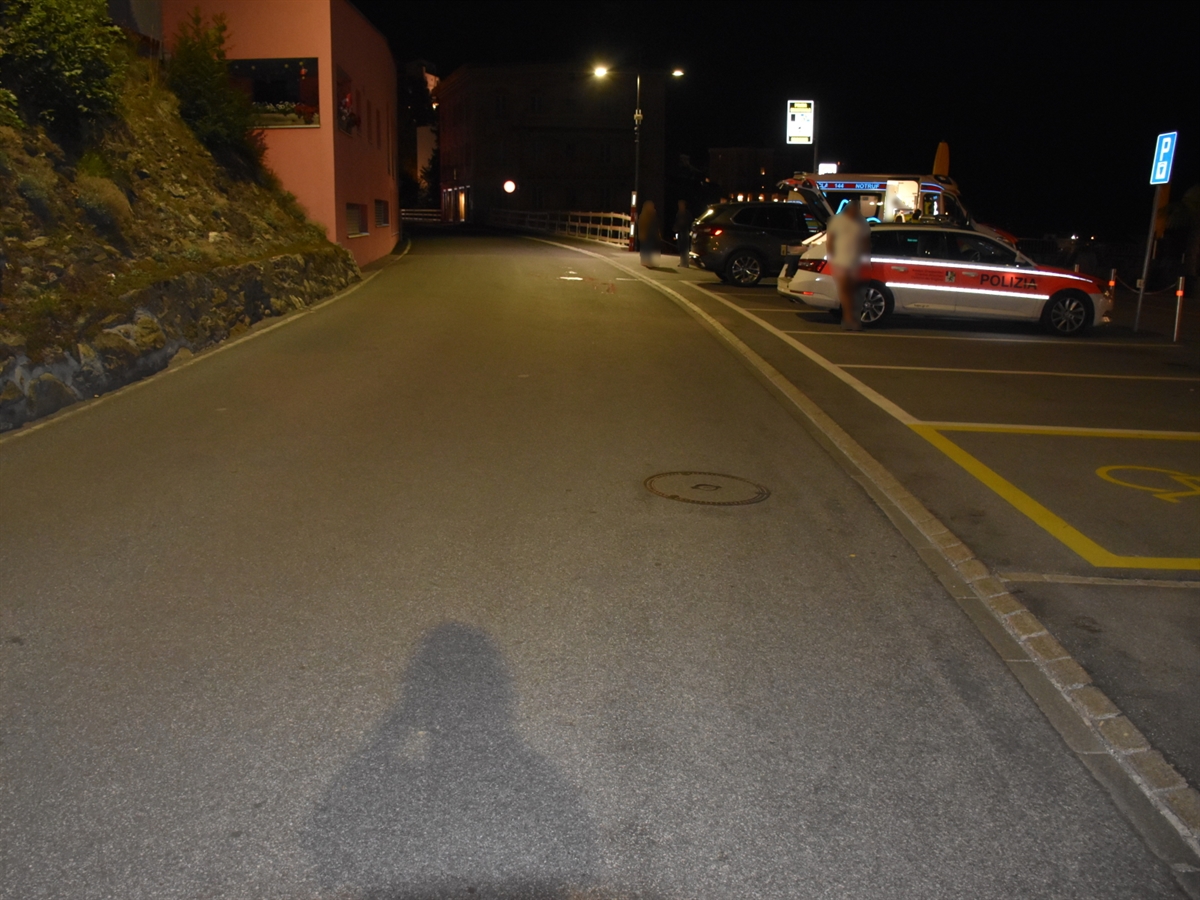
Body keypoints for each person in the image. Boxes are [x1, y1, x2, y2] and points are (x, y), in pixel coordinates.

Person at [826, 200, 871, 330]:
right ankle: (849, 319)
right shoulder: (837, 221)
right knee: (846, 290)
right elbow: (830, 241)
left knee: (853, 292)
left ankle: (849, 318)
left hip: (856, 262)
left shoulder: (862, 223)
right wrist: (832, 258)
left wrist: (866, 260)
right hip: (841, 261)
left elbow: (866, 243)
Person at [638, 200, 660, 268]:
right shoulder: (644, 215)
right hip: (646, 233)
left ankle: (648, 260)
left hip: (651, 233)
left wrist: (657, 233)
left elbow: (656, 224)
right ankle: (645, 260)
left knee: (650, 248)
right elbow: (641, 225)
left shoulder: (653, 214)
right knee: (646, 247)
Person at [674, 200, 693, 268]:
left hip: (685, 232)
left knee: (685, 248)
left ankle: (686, 262)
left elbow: (690, 222)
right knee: (681, 247)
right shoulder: (679, 213)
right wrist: (676, 229)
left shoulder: (687, 214)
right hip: (680, 231)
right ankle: (682, 261)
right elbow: (676, 222)